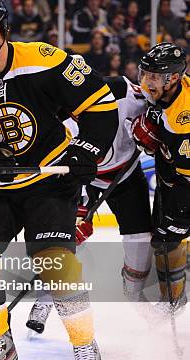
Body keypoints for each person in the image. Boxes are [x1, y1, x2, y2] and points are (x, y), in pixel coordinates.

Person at [0, 0, 118, 360]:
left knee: (56, 263)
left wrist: (86, 151)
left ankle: (85, 345)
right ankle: (0, 346)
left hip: (50, 179)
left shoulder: (44, 59)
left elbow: (101, 105)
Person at [26, 75, 153, 334]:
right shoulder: (56, 118)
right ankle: (45, 296)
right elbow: (59, 166)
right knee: (65, 239)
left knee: (140, 241)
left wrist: (154, 127)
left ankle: (135, 291)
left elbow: (159, 106)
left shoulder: (122, 92)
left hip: (126, 177)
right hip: (83, 177)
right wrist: (79, 205)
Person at [129, 43, 189, 316]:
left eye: (153, 77)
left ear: (172, 78)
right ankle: (172, 301)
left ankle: (174, 302)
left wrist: (180, 220)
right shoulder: (173, 92)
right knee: (164, 244)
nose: (146, 82)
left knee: (170, 239)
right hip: (174, 179)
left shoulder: (182, 121)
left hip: (185, 183)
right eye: (146, 73)